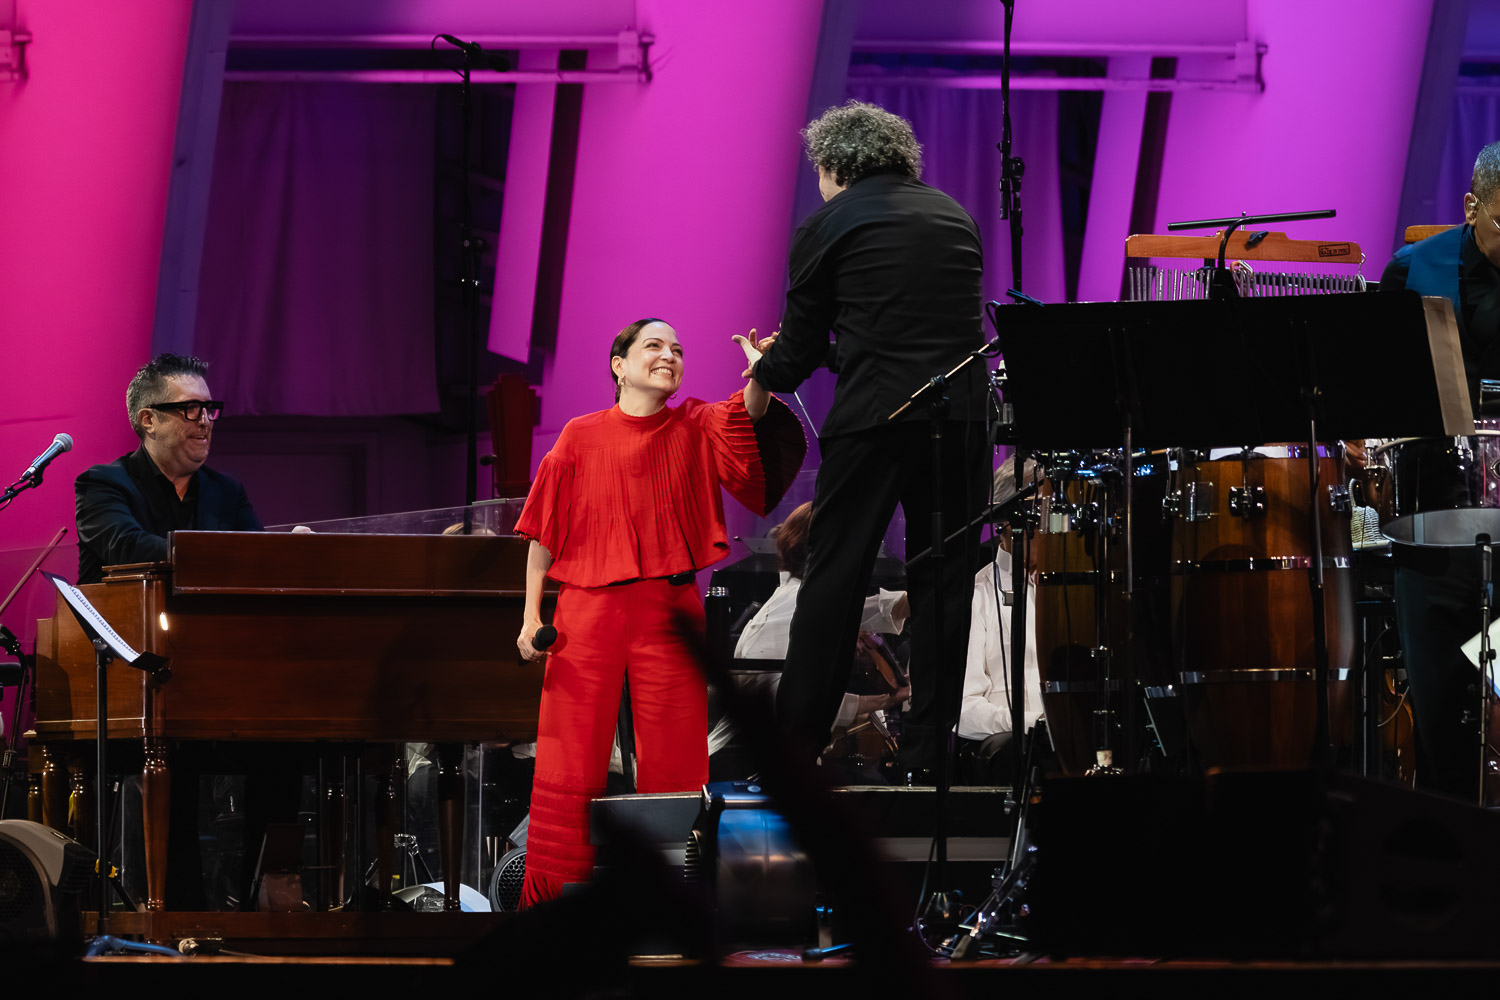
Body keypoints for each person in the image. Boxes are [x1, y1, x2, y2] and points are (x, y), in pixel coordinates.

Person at [513, 318, 804, 906]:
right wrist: (528, 617)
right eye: (654, 346)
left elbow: (744, 418)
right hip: (585, 607)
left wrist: (762, 374)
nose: (668, 355)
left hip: (668, 605)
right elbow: (543, 532)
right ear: (618, 364)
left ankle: (672, 901)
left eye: (677, 348)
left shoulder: (694, 422)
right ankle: (555, 900)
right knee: (570, 752)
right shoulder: (579, 434)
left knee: (675, 754)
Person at [749, 100, 990, 776]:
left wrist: (761, 369)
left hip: (876, 424)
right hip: (962, 420)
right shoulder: (953, 216)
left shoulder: (827, 223)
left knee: (833, 578)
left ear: (833, 165)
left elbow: (796, 353)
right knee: (945, 587)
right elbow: (894, 336)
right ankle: (928, 757)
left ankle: (794, 750)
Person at [1378, 141, 1500, 800]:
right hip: (1436, 531)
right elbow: (1375, 392)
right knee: (1443, 733)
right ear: (1470, 206)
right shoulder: (1412, 270)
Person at [712, 502, 909, 771]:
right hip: (747, 763)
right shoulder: (807, 602)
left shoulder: (791, 598)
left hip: (751, 756)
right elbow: (891, 606)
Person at [75, 353, 261, 584]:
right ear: (148, 420)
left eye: (208, 408)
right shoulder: (102, 483)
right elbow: (129, 548)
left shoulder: (228, 491)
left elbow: (258, 556)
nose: (205, 420)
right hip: (120, 618)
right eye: (191, 408)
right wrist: (225, 554)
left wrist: (293, 549)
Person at [957, 543, 1042, 785]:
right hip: (1010, 737)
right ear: (1004, 525)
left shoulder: (1072, 584)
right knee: (1017, 753)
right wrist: (1032, 723)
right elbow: (963, 709)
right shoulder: (978, 591)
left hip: (1068, 727)